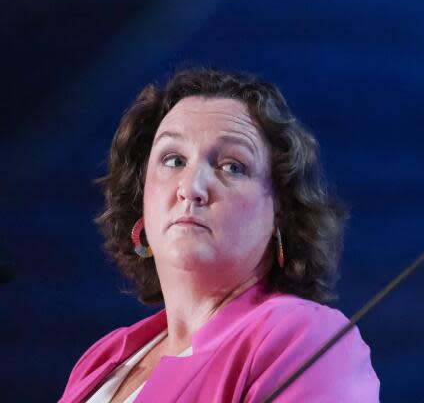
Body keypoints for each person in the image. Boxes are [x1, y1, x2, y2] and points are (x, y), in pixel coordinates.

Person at [60, 68, 379, 402]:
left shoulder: (306, 339)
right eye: (173, 159)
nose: (191, 188)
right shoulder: (104, 358)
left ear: (281, 212)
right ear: (142, 198)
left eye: (232, 167)